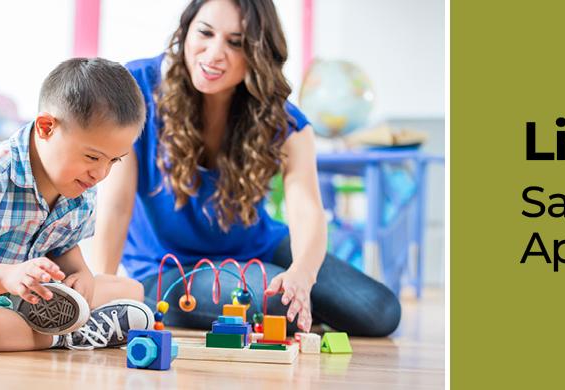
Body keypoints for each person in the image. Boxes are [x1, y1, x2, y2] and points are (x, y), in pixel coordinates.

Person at [89, 0, 400, 336]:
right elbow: (117, 205)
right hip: (168, 267)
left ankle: (304, 308)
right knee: (279, 305)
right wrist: (102, 289)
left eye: (235, 43)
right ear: (186, 31)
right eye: (205, 33)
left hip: (258, 249)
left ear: (258, 53)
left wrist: (302, 274)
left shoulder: (284, 120)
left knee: (379, 311)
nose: (214, 54)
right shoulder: (137, 87)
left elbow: (306, 207)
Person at [0, 58, 153, 351]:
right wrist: (6, 276)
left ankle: (47, 328)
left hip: (31, 296)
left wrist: (82, 275)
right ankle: (67, 336)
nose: (101, 173)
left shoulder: (81, 187)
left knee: (131, 289)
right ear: (46, 127)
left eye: (114, 161)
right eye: (93, 157)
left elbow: (64, 247)